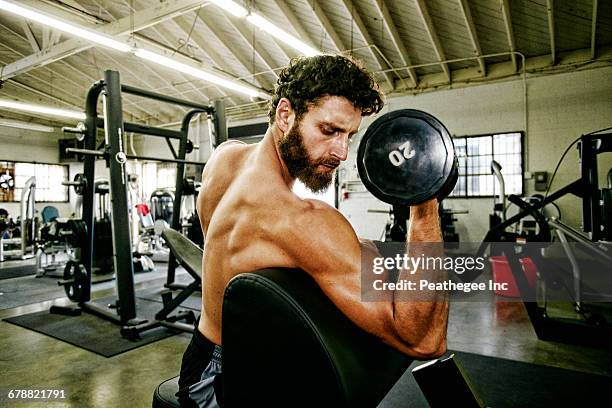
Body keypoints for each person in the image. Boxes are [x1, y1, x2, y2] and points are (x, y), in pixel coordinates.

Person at [177, 54, 449, 408]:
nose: (342, 152)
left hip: (200, 357)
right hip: (227, 382)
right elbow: (425, 341)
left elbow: (233, 252)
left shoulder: (225, 158)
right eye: (329, 130)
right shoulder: (300, 222)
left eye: (349, 135)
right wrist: (424, 199)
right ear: (285, 114)